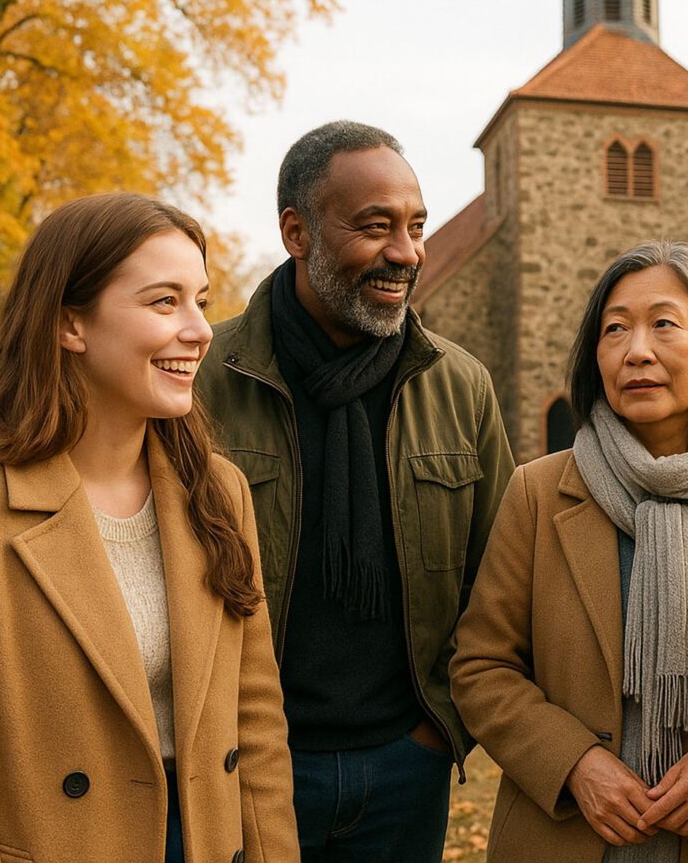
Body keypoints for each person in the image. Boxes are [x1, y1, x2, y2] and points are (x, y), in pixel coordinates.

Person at [194, 119, 514, 862]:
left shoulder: (460, 386)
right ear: (296, 232)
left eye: (415, 227)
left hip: (406, 768)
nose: (405, 252)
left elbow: (500, 579)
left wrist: (441, 728)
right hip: (245, 767)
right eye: (375, 227)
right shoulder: (205, 381)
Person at [451, 240, 688, 863]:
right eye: (615, 329)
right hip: (560, 836)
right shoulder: (537, 493)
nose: (637, 350)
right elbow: (481, 667)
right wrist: (574, 763)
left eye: (664, 324)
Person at [0, 193, 298, 863]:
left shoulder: (219, 492)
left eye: (201, 302)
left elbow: (256, 723)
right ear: (70, 324)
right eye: (163, 302)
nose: (201, 330)